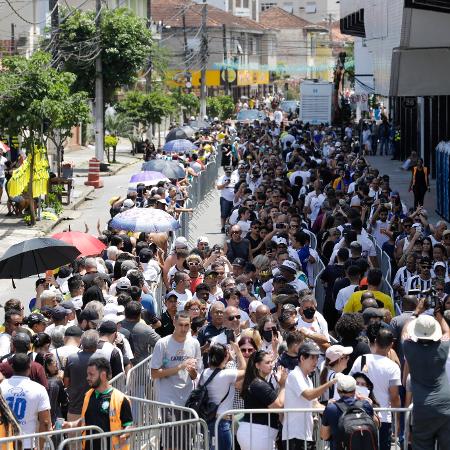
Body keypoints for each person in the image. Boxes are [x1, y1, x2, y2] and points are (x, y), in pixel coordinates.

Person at [403, 299, 450, 449]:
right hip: (446, 405)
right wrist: (438, 314)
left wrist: (416, 311)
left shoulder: (409, 348)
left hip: (423, 407)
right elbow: (447, 331)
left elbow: (405, 331)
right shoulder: (442, 348)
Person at [64, 357, 133, 450]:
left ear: (103, 375)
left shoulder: (121, 399)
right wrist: (71, 424)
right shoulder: (88, 395)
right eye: (87, 374)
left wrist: (125, 435)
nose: (87, 378)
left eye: (91, 375)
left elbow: (129, 424)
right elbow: (85, 419)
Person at [150, 311, 202, 434]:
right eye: (180, 325)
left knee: (185, 440)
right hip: (168, 398)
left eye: (186, 325)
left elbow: (195, 376)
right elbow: (154, 373)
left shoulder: (194, 343)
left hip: (186, 397)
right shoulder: (162, 343)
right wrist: (180, 367)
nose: (183, 329)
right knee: (171, 439)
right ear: (174, 323)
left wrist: (192, 371)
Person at [350, 328, 401, 450]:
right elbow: (394, 396)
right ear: (391, 345)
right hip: (383, 418)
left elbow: (350, 383)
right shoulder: (393, 367)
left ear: (375, 341)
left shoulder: (362, 360)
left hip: (359, 414)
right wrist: (397, 421)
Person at [283, 342, 337, 450]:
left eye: (317, 358)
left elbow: (315, 404)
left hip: (306, 435)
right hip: (294, 436)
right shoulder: (295, 375)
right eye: (312, 358)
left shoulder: (308, 380)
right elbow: (309, 395)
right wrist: (330, 383)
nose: (316, 362)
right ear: (302, 358)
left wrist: (335, 410)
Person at [237, 350, 287, 450]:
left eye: (271, 362)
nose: (271, 365)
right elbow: (279, 406)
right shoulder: (258, 384)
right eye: (267, 362)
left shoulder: (258, 382)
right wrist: (283, 386)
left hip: (257, 433)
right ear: (257, 365)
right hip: (257, 433)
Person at [0, 353, 52, 450]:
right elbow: (45, 422)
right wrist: (41, 447)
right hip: (27, 444)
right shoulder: (39, 389)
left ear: (11, 367)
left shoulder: (1, 386)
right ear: (29, 367)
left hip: (4, 443)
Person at [203, 343, 246, 450]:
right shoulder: (227, 374)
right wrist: (238, 351)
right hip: (223, 422)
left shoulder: (204, 372)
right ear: (226, 356)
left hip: (209, 419)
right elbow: (244, 369)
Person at [320, 374, 377, 450]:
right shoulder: (365, 405)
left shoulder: (331, 408)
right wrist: (369, 404)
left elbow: (324, 435)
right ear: (355, 390)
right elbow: (376, 424)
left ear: (337, 390)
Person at [64, 329, 99, 423]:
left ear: (81, 342)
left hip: (75, 407)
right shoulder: (101, 358)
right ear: (96, 343)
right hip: (97, 407)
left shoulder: (71, 358)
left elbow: (66, 382)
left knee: (74, 437)